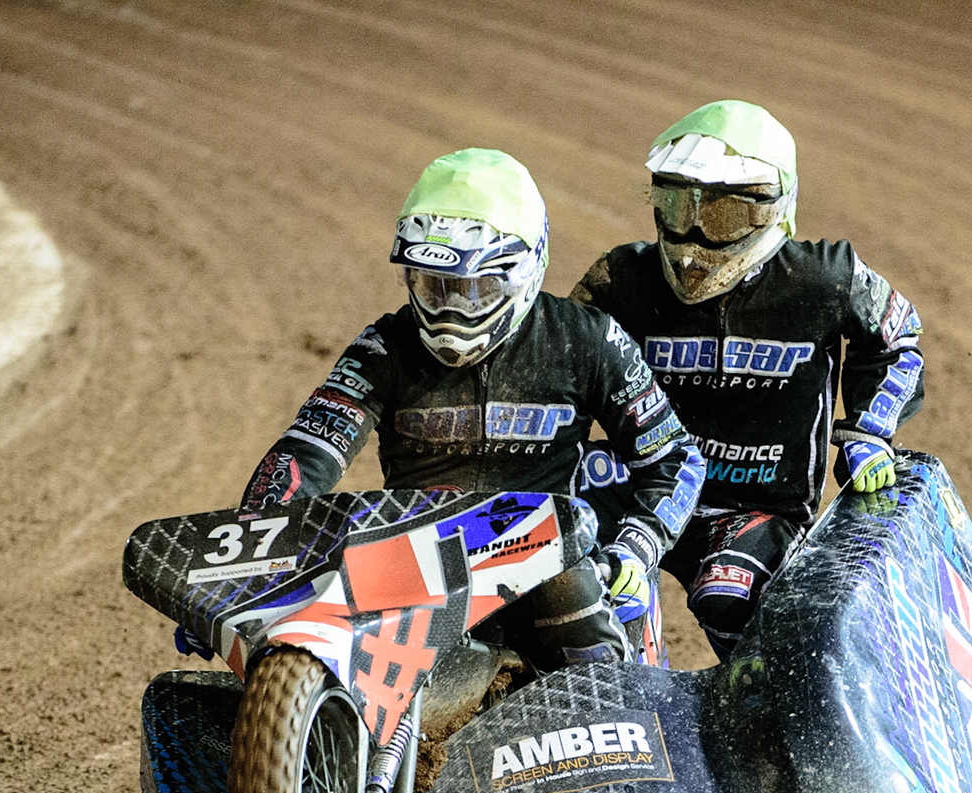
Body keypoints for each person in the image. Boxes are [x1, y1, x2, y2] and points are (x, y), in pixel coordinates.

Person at [241, 148, 703, 668]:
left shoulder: (586, 338)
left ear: (524, 269)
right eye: (433, 285)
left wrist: (636, 551)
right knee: (297, 638)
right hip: (414, 573)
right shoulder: (385, 346)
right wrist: (249, 566)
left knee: (574, 595)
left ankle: (607, 708)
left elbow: (675, 457)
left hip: (547, 570)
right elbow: (307, 452)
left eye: (476, 287)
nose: (451, 308)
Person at [571, 100, 924, 661]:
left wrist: (869, 430)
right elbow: (557, 370)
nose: (693, 235)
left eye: (723, 214)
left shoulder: (823, 276)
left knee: (729, 601)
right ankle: (618, 693)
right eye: (676, 205)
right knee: (572, 562)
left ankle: (758, 718)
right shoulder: (621, 278)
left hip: (756, 507)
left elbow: (898, 337)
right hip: (645, 486)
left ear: (773, 209)